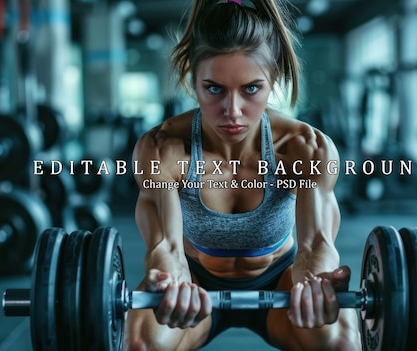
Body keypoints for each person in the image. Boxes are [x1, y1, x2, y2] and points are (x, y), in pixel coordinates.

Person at [126, 0, 361, 350]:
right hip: (197, 286)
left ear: (274, 79)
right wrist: (173, 285)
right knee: (143, 343)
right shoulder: (164, 149)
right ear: (193, 79)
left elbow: (316, 244)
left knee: (340, 341)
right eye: (215, 89)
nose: (232, 111)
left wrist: (314, 283)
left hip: (282, 284)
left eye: (251, 88)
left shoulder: (304, 148)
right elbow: (166, 247)